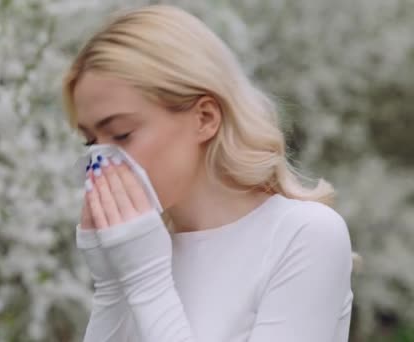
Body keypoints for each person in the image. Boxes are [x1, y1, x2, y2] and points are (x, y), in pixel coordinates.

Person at [61, 4, 354, 342]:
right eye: (90, 143)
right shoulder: (145, 249)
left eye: (123, 134)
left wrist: (146, 280)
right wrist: (111, 286)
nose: (103, 160)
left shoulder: (303, 235)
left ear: (204, 118)